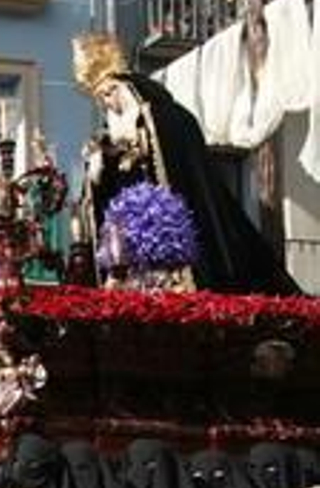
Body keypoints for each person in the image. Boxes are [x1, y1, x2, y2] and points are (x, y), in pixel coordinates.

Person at [72, 31, 301, 296]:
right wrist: (102, 158)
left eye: (107, 94)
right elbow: (119, 147)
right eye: (101, 97)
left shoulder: (154, 112)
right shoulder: (140, 113)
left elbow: (143, 136)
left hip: (158, 209)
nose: (106, 102)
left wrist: (119, 145)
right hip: (134, 208)